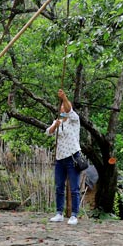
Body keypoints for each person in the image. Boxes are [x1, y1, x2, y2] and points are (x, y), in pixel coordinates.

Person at [45, 89, 82, 225]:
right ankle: (59, 213)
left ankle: (74, 215)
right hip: (60, 158)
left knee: (74, 188)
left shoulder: (74, 120)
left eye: (65, 106)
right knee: (59, 186)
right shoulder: (58, 121)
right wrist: (55, 124)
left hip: (72, 157)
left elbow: (69, 108)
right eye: (61, 107)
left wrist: (64, 97)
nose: (63, 108)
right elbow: (48, 132)